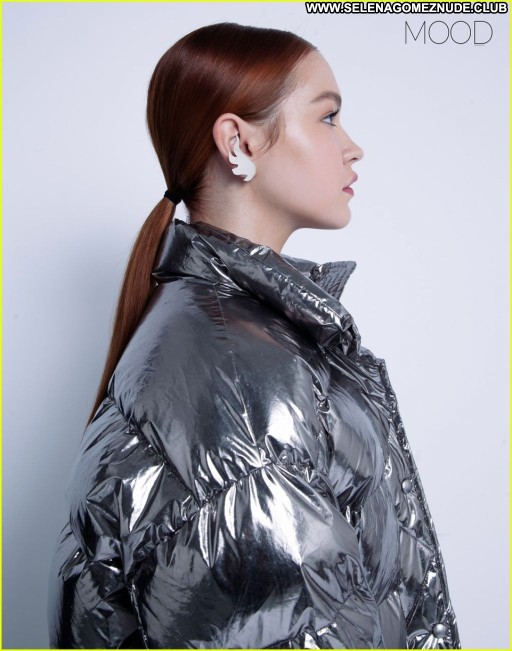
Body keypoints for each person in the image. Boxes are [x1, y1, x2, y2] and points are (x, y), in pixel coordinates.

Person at [47, 21, 461, 649]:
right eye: (328, 117)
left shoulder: (232, 336)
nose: (353, 147)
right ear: (238, 142)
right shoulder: (239, 378)